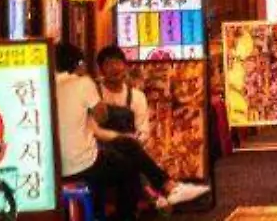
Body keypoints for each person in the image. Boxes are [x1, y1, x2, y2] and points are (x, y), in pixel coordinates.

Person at [93, 45, 210, 208]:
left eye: (118, 62)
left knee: (130, 158)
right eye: (108, 64)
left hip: (130, 149)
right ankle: (167, 188)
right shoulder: (93, 93)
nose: (114, 68)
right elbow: (92, 130)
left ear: (125, 66)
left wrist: (136, 139)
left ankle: (156, 195)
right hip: (98, 151)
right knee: (129, 154)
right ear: (101, 70)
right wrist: (122, 139)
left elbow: (143, 130)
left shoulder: (136, 96)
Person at [54, 43, 142, 218]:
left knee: (123, 150)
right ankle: (122, 216)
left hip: (54, 166)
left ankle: (164, 185)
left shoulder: (46, 84)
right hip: (82, 165)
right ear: (78, 63)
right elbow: (102, 117)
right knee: (129, 167)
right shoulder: (83, 83)